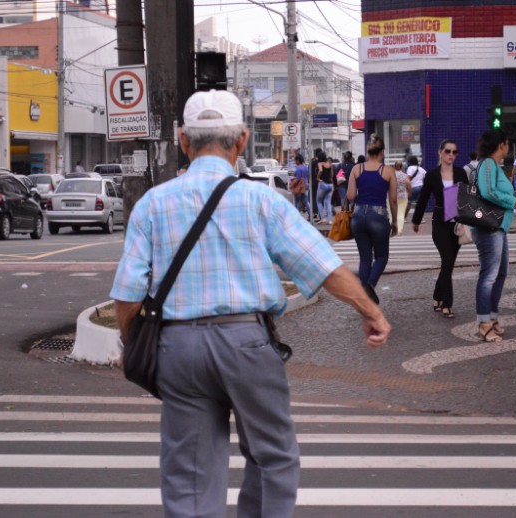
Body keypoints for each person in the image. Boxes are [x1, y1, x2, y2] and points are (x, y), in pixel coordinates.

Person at [110, 89, 390, 517]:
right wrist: (371, 312)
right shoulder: (262, 202)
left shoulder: (153, 204)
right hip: (246, 343)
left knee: (190, 473)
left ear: (184, 141)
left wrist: (133, 345)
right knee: (272, 457)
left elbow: (127, 297)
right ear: (241, 140)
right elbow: (323, 267)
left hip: (178, 348)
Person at [472, 130, 516, 342]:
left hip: (498, 227)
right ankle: (483, 323)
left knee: (501, 272)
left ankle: (492, 317)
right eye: (507, 144)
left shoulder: (495, 167)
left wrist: (514, 195)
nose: (508, 148)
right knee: (489, 275)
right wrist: (513, 201)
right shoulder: (488, 164)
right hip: (488, 228)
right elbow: (488, 192)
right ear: (501, 145)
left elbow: (495, 191)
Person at [411, 139, 469, 318]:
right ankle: (446, 303)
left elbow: (468, 197)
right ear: (440, 153)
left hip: (457, 225)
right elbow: (423, 199)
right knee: (447, 259)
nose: (451, 155)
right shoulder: (432, 175)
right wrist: (416, 220)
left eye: (454, 152)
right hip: (439, 224)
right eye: (447, 151)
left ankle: (437, 295)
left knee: (448, 263)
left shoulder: (460, 173)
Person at [346, 134, 398, 303]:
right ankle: (370, 285)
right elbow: (393, 199)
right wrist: (395, 221)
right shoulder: (388, 171)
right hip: (379, 215)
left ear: (368, 152)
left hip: (359, 215)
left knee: (365, 258)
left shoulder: (357, 169)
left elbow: (351, 195)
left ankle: (364, 295)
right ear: (382, 152)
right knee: (382, 257)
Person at [391, 160, 411, 235]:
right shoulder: (405, 175)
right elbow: (409, 185)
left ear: (394, 166)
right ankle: (399, 230)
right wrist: (409, 193)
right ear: (402, 166)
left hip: (393, 196)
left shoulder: (391, 175)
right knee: (401, 213)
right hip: (403, 196)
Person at [405, 155, 427, 221]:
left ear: (409, 162)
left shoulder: (410, 168)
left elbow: (408, 179)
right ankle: (421, 218)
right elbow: (426, 177)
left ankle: (404, 218)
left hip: (413, 188)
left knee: (408, 203)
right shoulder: (421, 169)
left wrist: (409, 190)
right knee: (419, 204)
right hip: (421, 187)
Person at [315, 151, 334, 224]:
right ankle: (330, 220)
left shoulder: (320, 163)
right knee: (328, 202)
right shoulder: (329, 164)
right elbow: (332, 174)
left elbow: (320, 170)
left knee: (319, 201)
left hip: (323, 184)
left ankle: (323, 218)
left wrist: (318, 178)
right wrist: (330, 179)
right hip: (330, 185)